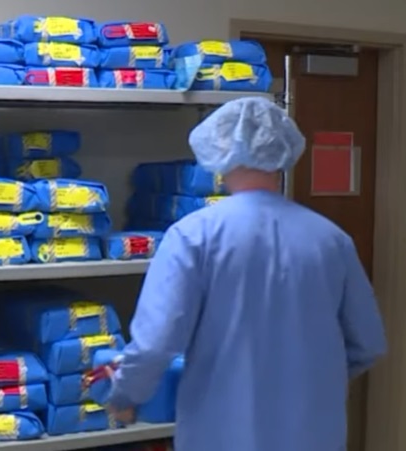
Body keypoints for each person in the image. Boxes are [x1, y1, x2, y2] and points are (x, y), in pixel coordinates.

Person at [104, 97, 387, 451]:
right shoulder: (331, 240)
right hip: (313, 435)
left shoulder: (193, 236)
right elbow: (368, 343)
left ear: (219, 153)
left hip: (221, 434)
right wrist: (311, 381)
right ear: (283, 154)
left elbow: (155, 344)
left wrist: (125, 395)